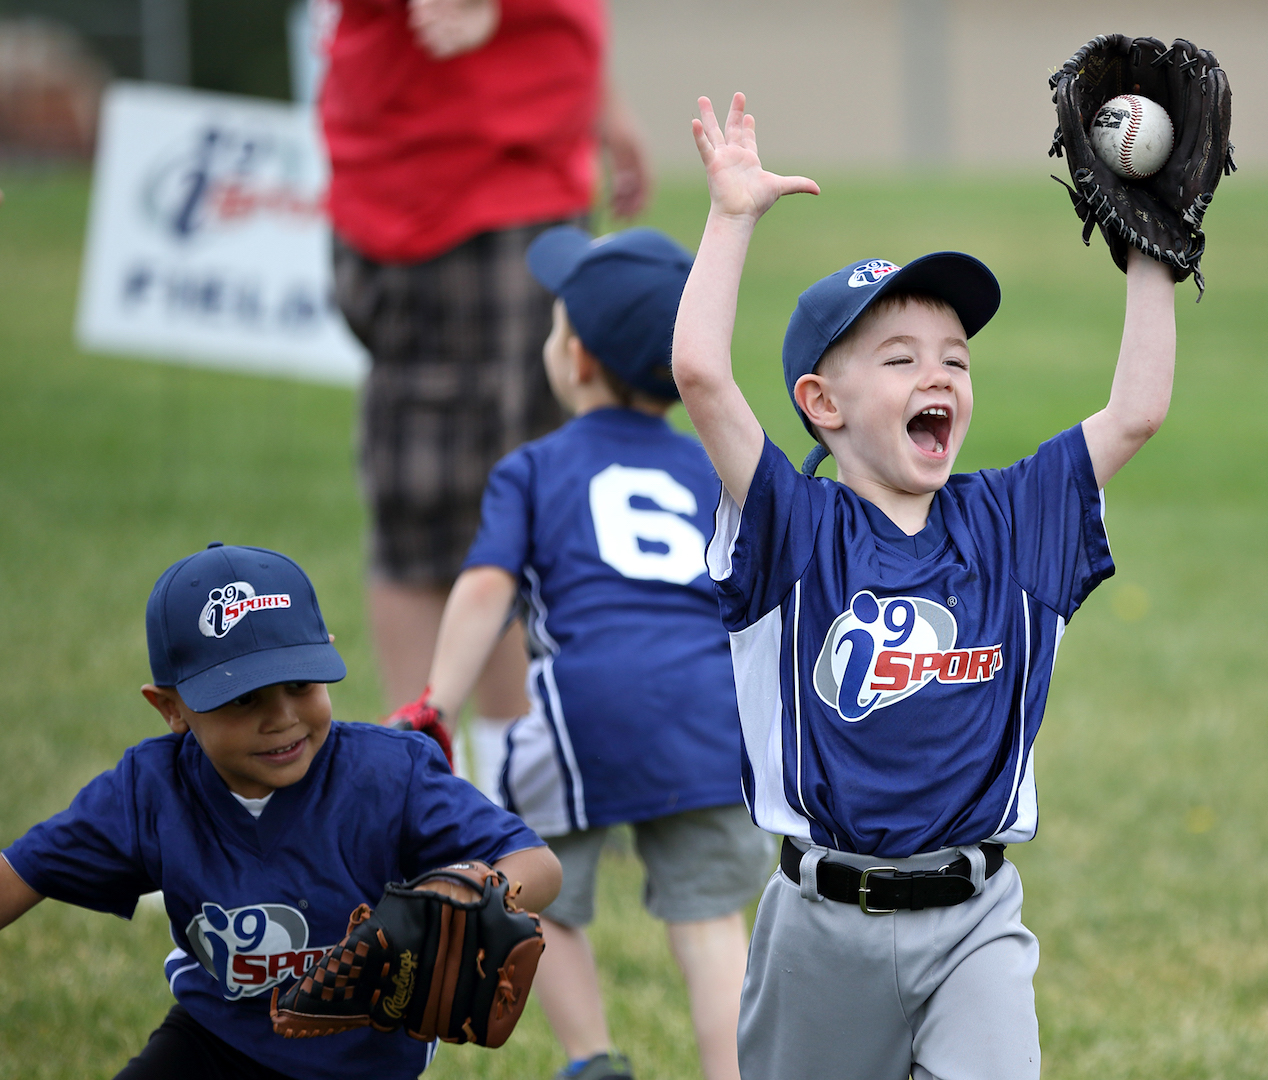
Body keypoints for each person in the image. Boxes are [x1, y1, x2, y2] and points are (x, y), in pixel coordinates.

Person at [671, 94, 1178, 1080]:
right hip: (817, 929)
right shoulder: (792, 525)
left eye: (953, 358)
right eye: (898, 359)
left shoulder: (1013, 516)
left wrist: (1149, 249)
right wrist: (731, 217)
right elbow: (699, 372)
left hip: (975, 920)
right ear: (821, 405)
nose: (935, 374)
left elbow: (1136, 412)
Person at [388, 226, 771, 1080]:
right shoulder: (713, 465)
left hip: (586, 710)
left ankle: (593, 1058)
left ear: (578, 356)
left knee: (538, 891)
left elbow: (487, 588)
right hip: (710, 716)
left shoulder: (533, 468)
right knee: (709, 924)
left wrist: (437, 703)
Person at [0, 543, 561, 1080]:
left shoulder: (390, 774)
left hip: (363, 1066)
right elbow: (21, 874)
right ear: (172, 708)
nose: (282, 717)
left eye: (300, 683)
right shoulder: (150, 791)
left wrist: (469, 892)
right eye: (243, 698)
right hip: (215, 1041)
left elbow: (538, 865)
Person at [318, 0, 654, 740]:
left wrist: (599, 97)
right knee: (433, 507)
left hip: (533, 163)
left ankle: (514, 779)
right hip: (445, 182)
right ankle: (421, 787)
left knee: (524, 496)